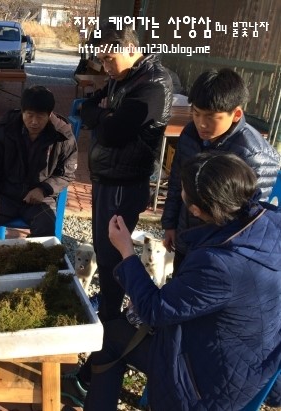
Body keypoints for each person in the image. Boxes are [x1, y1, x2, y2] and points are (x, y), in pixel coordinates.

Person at [87, 152, 281, 411]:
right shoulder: (269, 222)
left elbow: (155, 310)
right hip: (250, 356)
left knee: (110, 337)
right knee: (126, 323)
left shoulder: (218, 263)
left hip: (209, 380)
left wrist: (126, 251)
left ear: (195, 209)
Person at [82, 20, 173, 322]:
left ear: (131, 48)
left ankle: (111, 318)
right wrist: (104, 114)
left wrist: (103, 116)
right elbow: (86, 107)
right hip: (107, 176)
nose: (105, 66)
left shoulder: (153, 84)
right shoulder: (121, 77)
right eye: (101, 59)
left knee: (111, 252)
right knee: (102, 245)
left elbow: (112, 133)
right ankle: (109, 302)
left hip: (125, 180)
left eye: (109, 58)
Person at [162, 68, 280, 275]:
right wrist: (170, 224)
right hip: (186, 237)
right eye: (196, 113)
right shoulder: (190, 134)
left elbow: (253, 220)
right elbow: (177, 181)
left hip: (220, 254)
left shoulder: (254, 155)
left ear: (236, 114)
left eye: (211, 117)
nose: (201, 123)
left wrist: (220, 256)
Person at [0, 85, 78, 240]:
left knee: (45, 226)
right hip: (5, 195)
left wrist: (43, 189)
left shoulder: (63, 137)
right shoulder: (4, 130)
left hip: (39, 199)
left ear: (50, 115)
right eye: (29, 115)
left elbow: (66, 173)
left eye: (40, 116)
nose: (34, 122)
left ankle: (31, 256)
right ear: (22, 112)